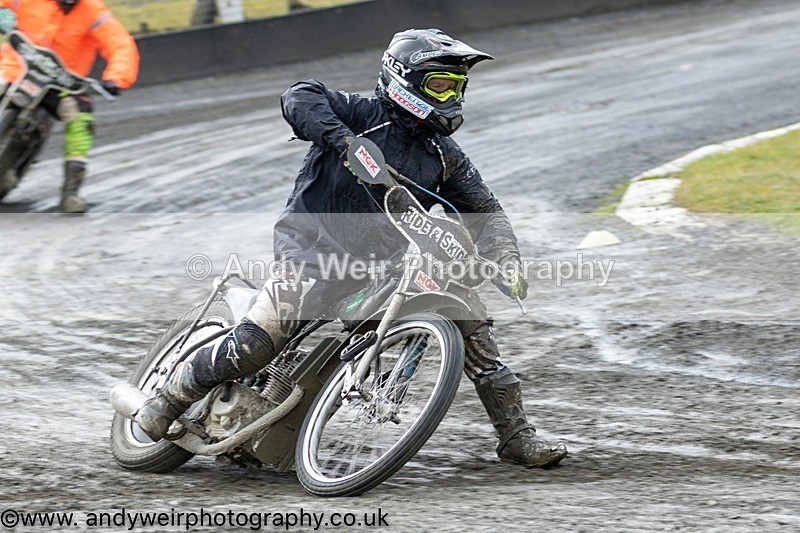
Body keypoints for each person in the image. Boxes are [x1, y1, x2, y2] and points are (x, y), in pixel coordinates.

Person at [136, 28, 568, 468]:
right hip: (310, 248)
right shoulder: (361, 114)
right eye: (440, 84)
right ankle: (169, 400)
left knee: (470, 321)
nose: (451, 95)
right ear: (405, 79)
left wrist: (507, 260)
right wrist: (344, 143)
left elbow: (486, 211)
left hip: (381, 268)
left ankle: (516, 435)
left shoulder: (443, 154)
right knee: (259, 342)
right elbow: (299, 95)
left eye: (458, 87)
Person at [0, 0, 139, 213]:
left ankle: (71, 193)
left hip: (61, 85)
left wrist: (116, 78)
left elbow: (120, 44)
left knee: (81, 117)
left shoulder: (93, 11)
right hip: (15, 70)